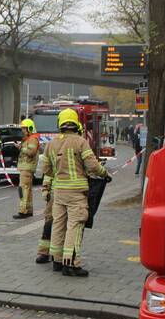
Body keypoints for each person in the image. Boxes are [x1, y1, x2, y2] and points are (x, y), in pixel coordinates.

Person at [42, 108, 110, 277]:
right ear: (76, 123)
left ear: (60, 123)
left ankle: (57, 260)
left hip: (59, 193)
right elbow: (93, 166)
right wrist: (104, 173)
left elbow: (45, 169)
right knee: (75, 225)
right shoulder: (81, 142)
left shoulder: (51, 144)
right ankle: (70, 264)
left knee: (58, 224)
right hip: (76, 193)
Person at [14, 118, 40, 218]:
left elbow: (31, 152)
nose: (23, 131)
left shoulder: (32, 139)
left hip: (27, 167)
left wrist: (21, 148)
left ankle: (23, 211)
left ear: (29, 128)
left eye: (24, 129)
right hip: (27, 167)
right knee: (27, 190)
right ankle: (28, 210)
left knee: (23, 189)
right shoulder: (29, 138)